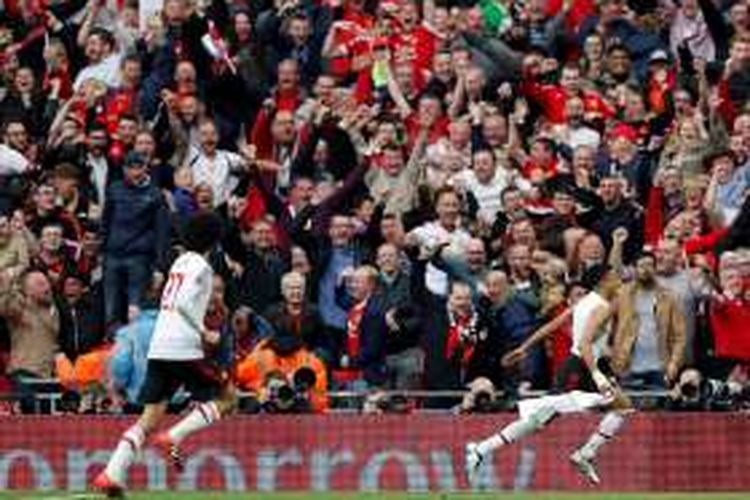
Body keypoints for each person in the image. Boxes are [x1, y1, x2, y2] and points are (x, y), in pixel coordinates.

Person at [92, 212, 234, 496]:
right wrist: (204, 332)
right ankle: (174, 436)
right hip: (183, 346)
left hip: (160, 345)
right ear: (215, 240)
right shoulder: (201, 267)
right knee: (228, 398)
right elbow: (182, 303)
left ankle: (112, 474)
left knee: (149, 418)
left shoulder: (179, 261)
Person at [465, 265, 632, 485]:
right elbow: (583, 344)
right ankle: (481, 449)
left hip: (590, 363)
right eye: (614, 277)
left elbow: (554, 324)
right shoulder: (600, 306)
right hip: (581, 365)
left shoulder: (584, 301)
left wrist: (524, 347)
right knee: (538, 419)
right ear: (603, 281)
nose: (618, 280)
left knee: (622, 406)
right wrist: (598, 376)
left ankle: (586, 453)